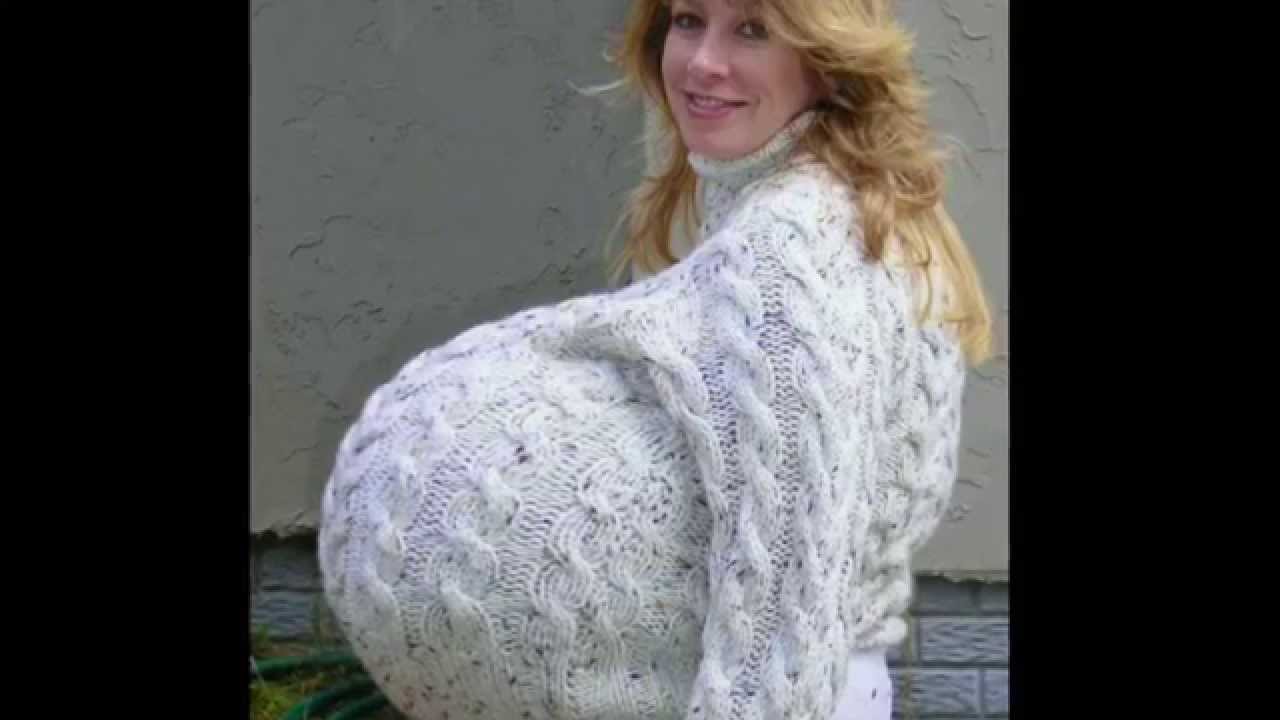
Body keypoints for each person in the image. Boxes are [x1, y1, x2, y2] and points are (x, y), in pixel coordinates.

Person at [317, 1, 994, 719]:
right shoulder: (839, 201)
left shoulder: (789, 251)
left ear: (827, 58)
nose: (702, 62)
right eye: (688, 19)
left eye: (753, 30)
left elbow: (784, 614)